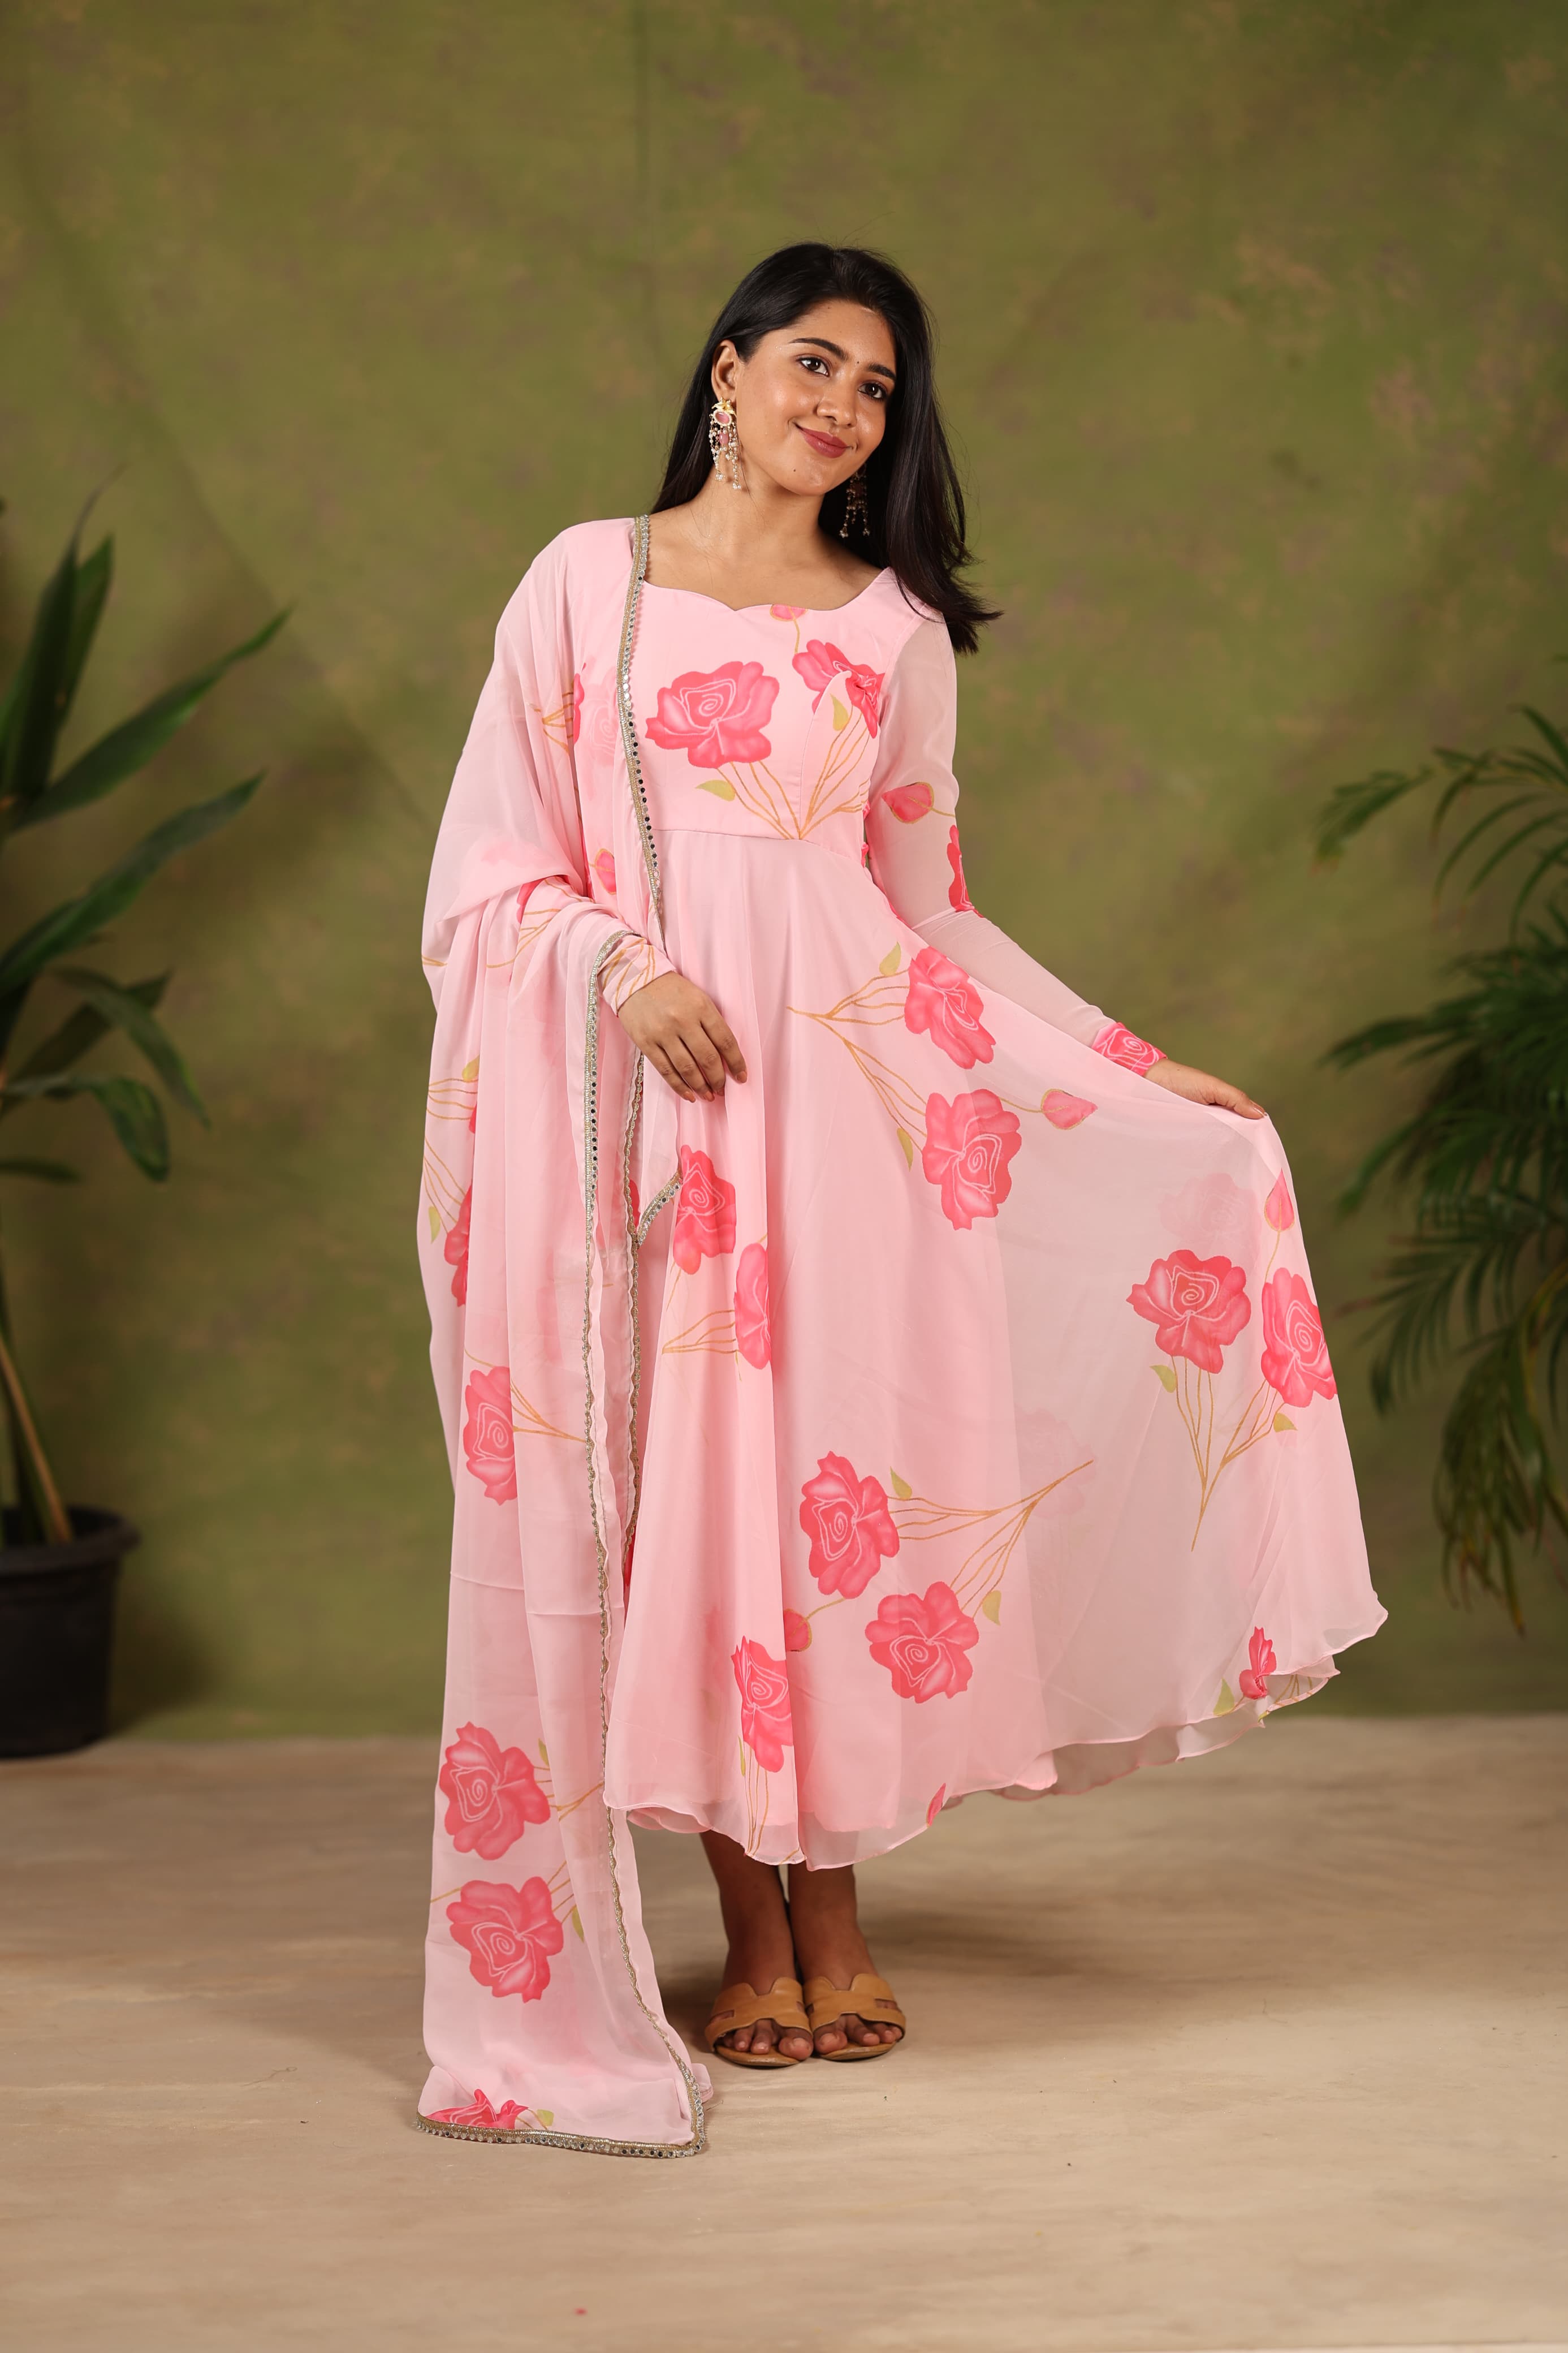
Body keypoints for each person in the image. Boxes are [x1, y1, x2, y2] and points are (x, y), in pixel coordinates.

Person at [414, 243, 1383, 2154]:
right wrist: (624, 967)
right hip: (649, 1129)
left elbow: (930, 911)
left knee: (827, 1509)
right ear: (728, 371)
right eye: (814, 365)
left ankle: (835, 1912)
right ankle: (746, 1926)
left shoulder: (893, 631)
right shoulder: (586, 584)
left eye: (876, 390)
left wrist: (1128, 1061)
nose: (843, 410)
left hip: (855, 1124)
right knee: (686, 1511)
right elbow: (488, 865)